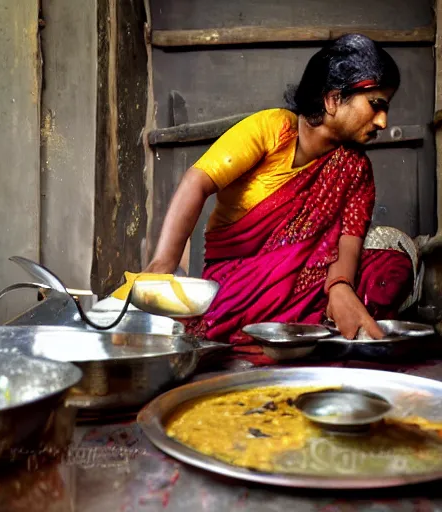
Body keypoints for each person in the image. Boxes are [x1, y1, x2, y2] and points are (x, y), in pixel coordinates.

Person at [144, 34, 414, 365]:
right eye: (376, 105)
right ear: (333, 99)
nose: (383, 122)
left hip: (314, 279)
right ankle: (306, 332)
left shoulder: (356, 167)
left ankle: (315, 323)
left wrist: (341, 285)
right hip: (242, 278)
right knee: (219, 307)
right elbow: (197, 183)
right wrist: (162, 266)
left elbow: (350, 237)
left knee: (392, 266)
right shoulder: (273, 130)